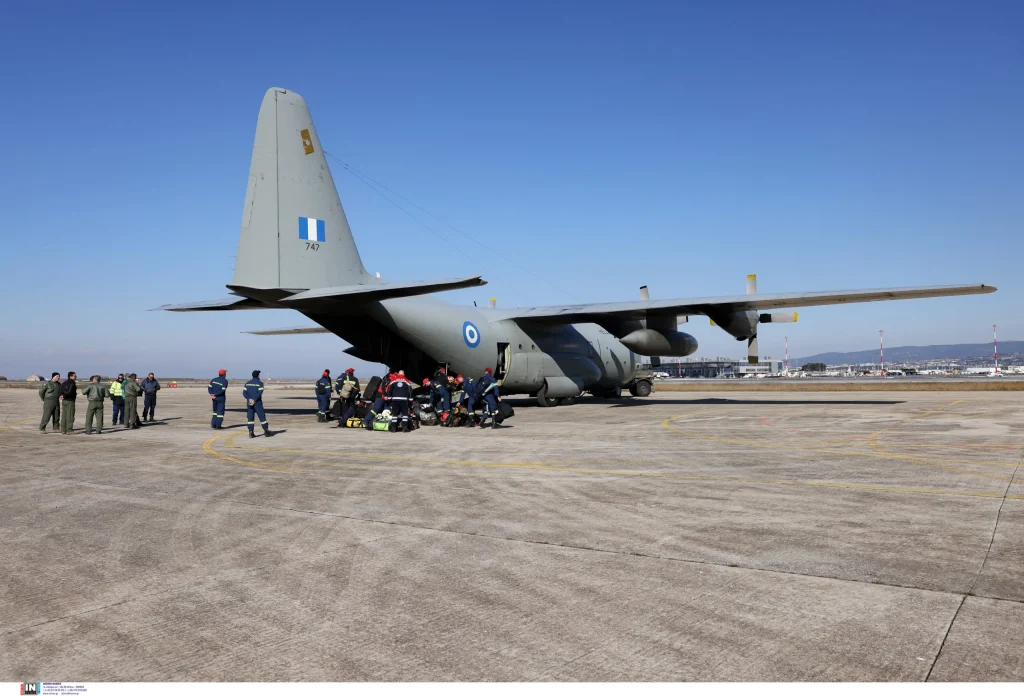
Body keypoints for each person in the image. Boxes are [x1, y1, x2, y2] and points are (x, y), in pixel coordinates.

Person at [243, 369, 273, 438]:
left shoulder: (247, 383)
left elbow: (244, 393)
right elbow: (259, 393)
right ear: (258, 375)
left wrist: (249, 399)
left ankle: (251, 432)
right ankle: (266, 431)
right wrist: (254, 400)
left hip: (249, 403)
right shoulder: (260, 383)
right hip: (257, 403)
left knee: (250, 418)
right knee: (262, 417)